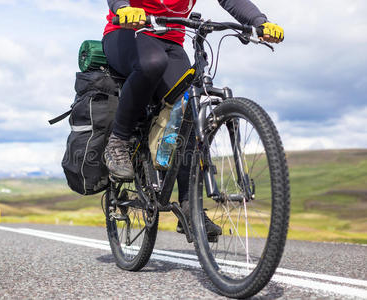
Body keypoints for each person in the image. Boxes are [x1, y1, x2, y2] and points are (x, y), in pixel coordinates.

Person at [102, 0, 284, 236]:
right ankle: (118, 141)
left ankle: (190, 206)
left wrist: (259, 22)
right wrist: (122, 7)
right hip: (127, 32)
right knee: (152, 63)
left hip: (171, 41)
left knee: (187, 104)